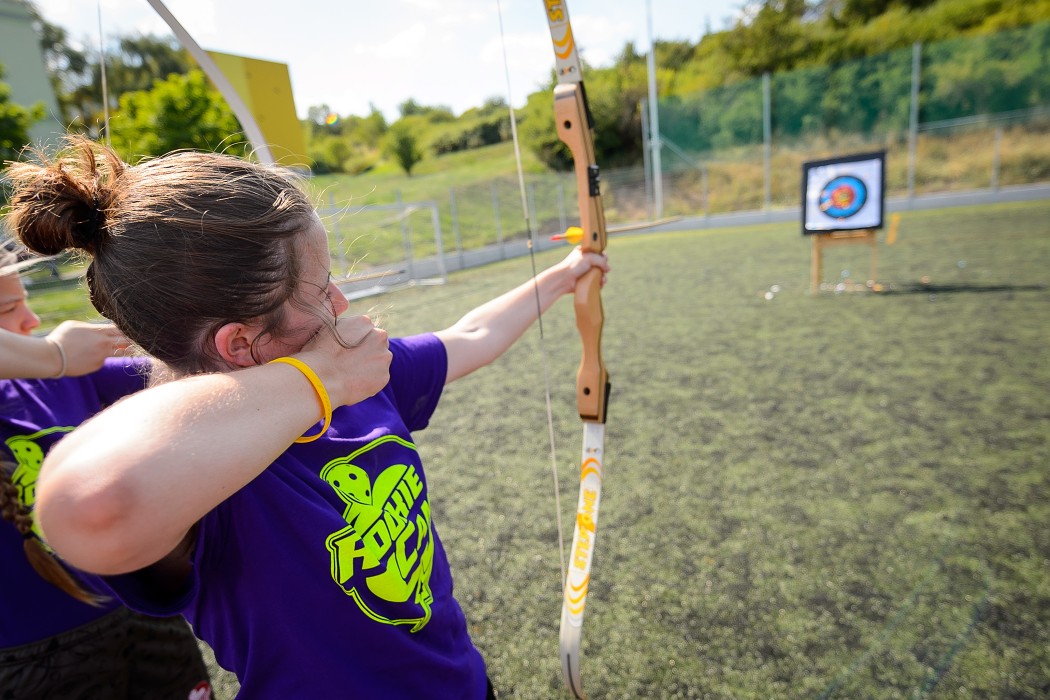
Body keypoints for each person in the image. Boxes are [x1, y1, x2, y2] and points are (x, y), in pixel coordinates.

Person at [5, 137, 608, 699]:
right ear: (241, 345)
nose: (341, 303)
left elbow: (470, 335)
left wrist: (561, 278)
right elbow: (87, 504)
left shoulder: (350, 376)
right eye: (321, 288)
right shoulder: (216, 458)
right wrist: (323, 380)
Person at [0, 248, 214, 699]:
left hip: (139, 612)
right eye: (7, 309)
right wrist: (53, 354)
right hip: (25, 655)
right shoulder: (50, 365)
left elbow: (199, 381)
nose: (31, 320)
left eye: (24, 300)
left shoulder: (58, 382)